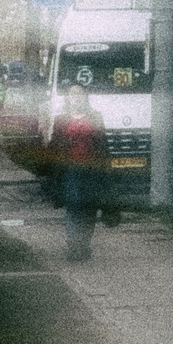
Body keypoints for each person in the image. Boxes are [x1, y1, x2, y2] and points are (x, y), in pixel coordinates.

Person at [53, 85, 109, 261]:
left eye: (80, 93)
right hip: (70, 169)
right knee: (74, 205)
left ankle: (84, 245)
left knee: (89, 208)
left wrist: (106, 169)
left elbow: (103, 145)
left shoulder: (95, 117)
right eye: (72, 94)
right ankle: (73, 245)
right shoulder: (61, 119)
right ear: (68, 98)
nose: (76, 97)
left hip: (92, 170)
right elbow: (55, 144)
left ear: (86, 97)